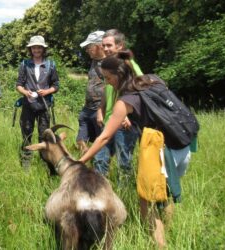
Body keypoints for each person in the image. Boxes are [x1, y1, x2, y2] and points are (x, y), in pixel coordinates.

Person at [79, 52, 194, 248]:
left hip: (161, 151)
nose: (107, 83)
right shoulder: (152, 80)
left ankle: (160, 245)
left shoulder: (125, 102)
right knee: (164, 194)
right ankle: (170, 231)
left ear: (119, 74)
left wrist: (81, 161)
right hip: (183, 146)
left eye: (108, 78)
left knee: (146, 201)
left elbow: (105, 136)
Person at [97, 29, 143, 180]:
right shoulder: (109, 65)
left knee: (124, 163)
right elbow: (107, 89)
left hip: (125, 124)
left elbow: (142, 91)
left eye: (109, 45)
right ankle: (99, 194)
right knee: (99, 159)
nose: (105, 49)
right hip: (109, 121)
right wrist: (100, 109)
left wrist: (130, 114)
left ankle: (124, 196)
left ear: (120, 45)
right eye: (103, 45)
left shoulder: (129, 64)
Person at [16, 35, 60, 170]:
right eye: (34, 47)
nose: (36, 50)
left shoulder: (50, 64)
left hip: (44, 106)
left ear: (43, 49)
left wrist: (47, 92)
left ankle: (45, 163)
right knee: (26, 133)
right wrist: (25, 92)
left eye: (39, 47)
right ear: (31, 49)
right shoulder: (25, 64)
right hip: (28, 105)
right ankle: (26, 162)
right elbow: (18, 84)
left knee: (44, 135)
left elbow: (56, 85)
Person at [76, 31, 110, 175]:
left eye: (89, 46)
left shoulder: (110, 63)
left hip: (100, 110)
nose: (87, 50)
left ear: (98, 46)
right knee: (80, 140)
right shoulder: (94, 61)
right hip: (87, 109)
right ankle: (86, 168)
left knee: (100, 148)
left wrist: (102, 110)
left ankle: (99, 177)